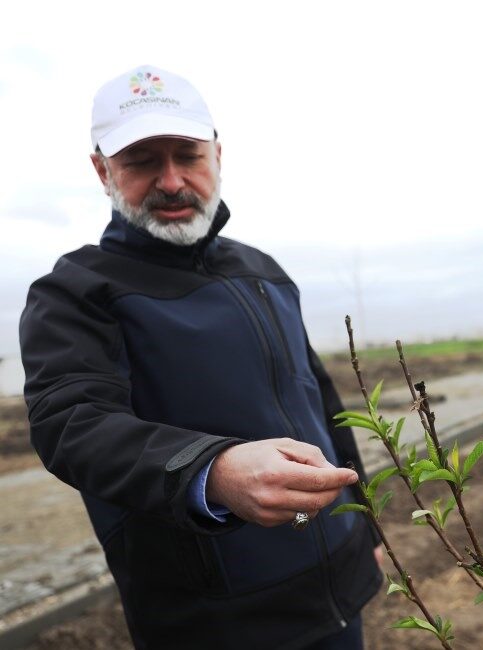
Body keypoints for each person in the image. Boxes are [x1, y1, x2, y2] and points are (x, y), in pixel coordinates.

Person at [19, 65, 383, 650]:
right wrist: (210, 470)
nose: (171, 181)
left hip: (338, 590)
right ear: (101, 170)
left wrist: (362, 521)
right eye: (142, 162)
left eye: (187, 155)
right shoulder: (76, 291)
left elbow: (319, 400)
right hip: (217, 622)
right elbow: (73, 424)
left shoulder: (263, 271)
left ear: (217, 154)